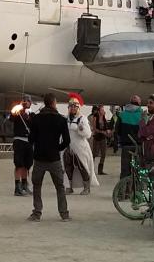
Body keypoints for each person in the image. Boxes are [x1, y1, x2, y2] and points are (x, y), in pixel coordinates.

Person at [27, 93, 71, 222]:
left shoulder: (36, 119)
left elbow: (31, 139)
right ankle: (64, 213)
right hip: (54, 158)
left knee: (37, 186)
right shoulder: (61, 120)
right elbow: (67, 140)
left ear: (45, 103)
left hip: (39, 157)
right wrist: (58, 148)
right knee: (60, 186)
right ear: (54, 103)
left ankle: (37, 212)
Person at [63, 98, 98, 195]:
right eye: (71, 107)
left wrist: (81, 129)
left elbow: (88, 134)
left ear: (78, 108)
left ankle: (87, 187)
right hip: (68, 147)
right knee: (68, 168)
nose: (73, 108)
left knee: (83, 167)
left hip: (80, 148)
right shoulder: (66, 119)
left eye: (75, 107)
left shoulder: (82, 118)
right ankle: (69, 187)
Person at [114, 95, 144, 178]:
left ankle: (125, 188)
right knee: (138, 170)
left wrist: (123, 137)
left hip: (126, 145)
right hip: (138, 146)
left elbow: (117, 130)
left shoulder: (122, 115)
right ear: (139, 103)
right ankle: (137, 188)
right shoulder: (142, 115)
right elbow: (145, 131)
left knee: (125, 170)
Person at [10, 96, 34, 196]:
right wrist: (18, 108)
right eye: (24, 101)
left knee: (26, 164)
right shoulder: (17, 112)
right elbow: (11, 118)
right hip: (19, 140)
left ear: (31, 103)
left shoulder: (32, 114)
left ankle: (24, 184)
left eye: (28, 101)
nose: (26, 102)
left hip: (29, 141)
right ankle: (17, 187)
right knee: (18, 164)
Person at [90, 105, 110, 175]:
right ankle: (91, 169)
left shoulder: (104, 118)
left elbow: (105, 127)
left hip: (103, 138)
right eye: (102, 110)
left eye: (103, 110)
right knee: (94, 153)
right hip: (97, 137)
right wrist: (102, 132)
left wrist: (107, 131)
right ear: (99, 111)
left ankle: (100, 170)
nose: (103, 111)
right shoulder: (95, 118)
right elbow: (94, 128)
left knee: (103, 154)